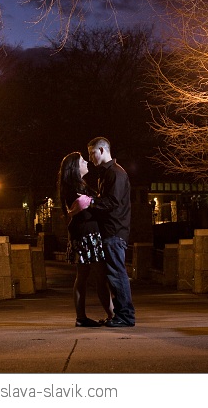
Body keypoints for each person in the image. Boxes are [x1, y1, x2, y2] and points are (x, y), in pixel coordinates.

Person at [57, 151, 114, 328]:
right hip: (88, 235)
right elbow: (89, 207)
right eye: (82, 161)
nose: (86, 162)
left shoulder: (75, 187)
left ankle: (82, 317)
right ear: (75, 167)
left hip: (83, 234)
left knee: (83, 277)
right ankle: (113, 315)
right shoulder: (75, 189)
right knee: (99, 276)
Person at [85, 137, 136, 327]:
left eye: (92, 153)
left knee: (117, 274)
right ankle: (122, 315)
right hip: (112, 231)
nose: (90, 158)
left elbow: (112, 203)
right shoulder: (109, 174)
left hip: (114, 231)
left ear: (102, 150)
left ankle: (125, 316)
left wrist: (90, 202)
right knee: (114, 275)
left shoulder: (115, 174)